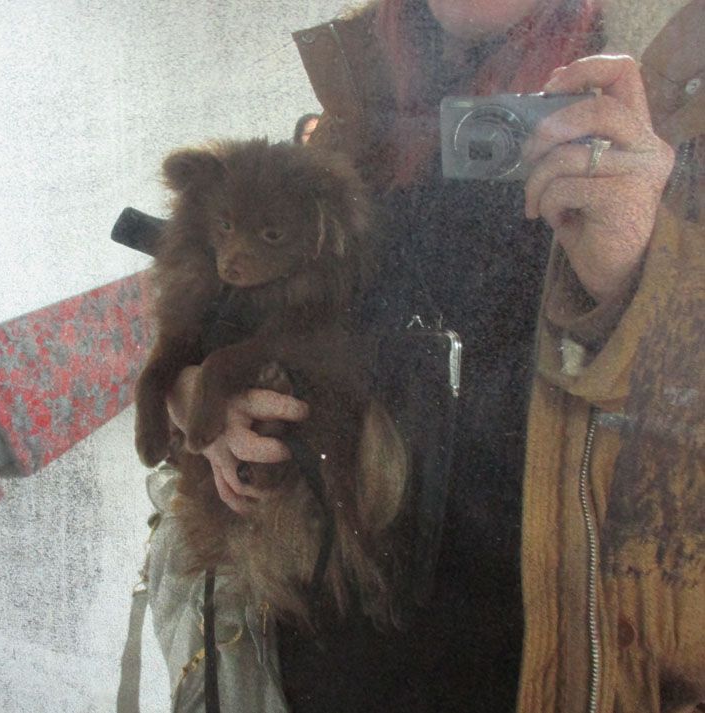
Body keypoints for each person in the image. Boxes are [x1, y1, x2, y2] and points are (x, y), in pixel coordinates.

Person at [165, 0, 705, 711]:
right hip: (317, 653)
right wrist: (200, 399)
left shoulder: (677, 98)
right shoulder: (356, 91)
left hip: (559, 672)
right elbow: (242, 313)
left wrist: (645, 272)